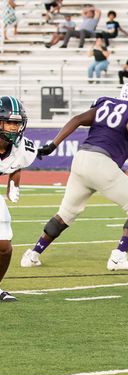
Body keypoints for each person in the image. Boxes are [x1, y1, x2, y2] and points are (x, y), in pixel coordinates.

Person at [20, 81, 128, 271]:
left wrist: (53, 145)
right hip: (103, 163)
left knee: (66, 213)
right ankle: (118, 257)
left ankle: (33, 254)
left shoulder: (105, 103)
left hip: (81, 159)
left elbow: (77, 119)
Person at [0, 96, 37, 301]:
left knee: (4, 247)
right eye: (10, 122)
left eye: (17, 123)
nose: (14, 128)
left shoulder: (22, 146)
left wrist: (14, 184)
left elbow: (16, 165)